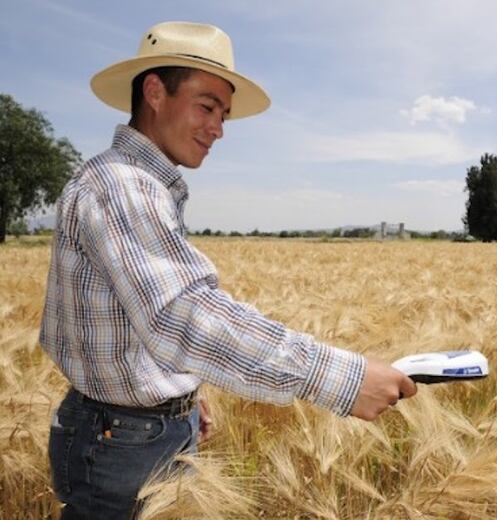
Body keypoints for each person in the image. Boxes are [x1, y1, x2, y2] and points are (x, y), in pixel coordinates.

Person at [39, 21, 417, 519]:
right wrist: (339, 378)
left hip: (132, 430)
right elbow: (180, 313)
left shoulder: (135, 185)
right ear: (154, 91)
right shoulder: (122, 187)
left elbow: (133, 318)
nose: (218, 128)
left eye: (224, 115)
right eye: (207, 106)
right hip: (119, 443)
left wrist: (183, 394)